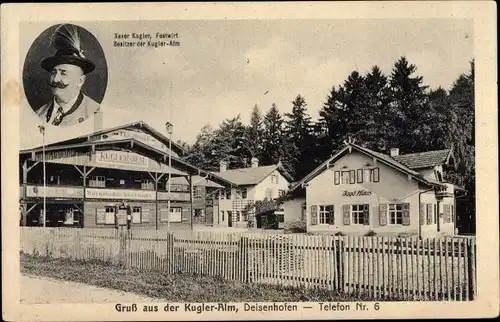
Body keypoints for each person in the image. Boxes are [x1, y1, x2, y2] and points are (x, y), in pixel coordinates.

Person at [36, 24, 100, 126]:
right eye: (53, 72)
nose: (55, 79)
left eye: (63, 73)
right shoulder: (39, 114)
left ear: (80, 81)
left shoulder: (96, 113)